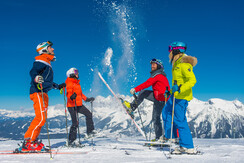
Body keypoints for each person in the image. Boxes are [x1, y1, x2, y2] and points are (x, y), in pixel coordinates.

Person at [22, 41, 66, 152]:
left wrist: (57, 86)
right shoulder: (40, 61)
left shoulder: (47, 64)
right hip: (37, 92)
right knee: (40, 118)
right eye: (51, 47)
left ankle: (32, 140)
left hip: (43, 93)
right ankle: (28, 142)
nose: (53, 49)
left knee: (42, 118)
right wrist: (36, 77)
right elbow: (33, 72)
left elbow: (46, 81)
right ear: (44, 49)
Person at [162, 41, 197, 154]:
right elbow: (177, 82)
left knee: (179, 119)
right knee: (166, 112)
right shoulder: (176, 64)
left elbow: (192, 81)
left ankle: (188, 146)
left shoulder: (184, 64)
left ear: (176, 50)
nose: (169, 53)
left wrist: (180, 89)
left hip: (182, 97)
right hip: (175, 95)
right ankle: (170, 137)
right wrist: (171, 91)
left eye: (170, 50)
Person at [123, 59, 170, 140]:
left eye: (154, 64)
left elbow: (147, 83)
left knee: (156, 118)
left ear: (159, 66)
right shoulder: (159, 75)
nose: (152, 66)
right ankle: (132, 107)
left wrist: (135, 89)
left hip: (161, 99)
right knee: (144, 93)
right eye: (151, 64)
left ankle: (159, 138)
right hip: (158, 96)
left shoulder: (157, 75)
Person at [65, 67, 96, 145]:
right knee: (75, 123)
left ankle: (90, 132)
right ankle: (71, 141)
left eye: (77, 71)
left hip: (78, 104)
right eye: (75, 71)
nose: (77, 73)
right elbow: (68, 92)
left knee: (89, 114)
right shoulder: (69, 82)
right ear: (71, 74)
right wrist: (71, 96)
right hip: (71, 105)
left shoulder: (77, 83)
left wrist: (87, 99)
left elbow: (80, 94)